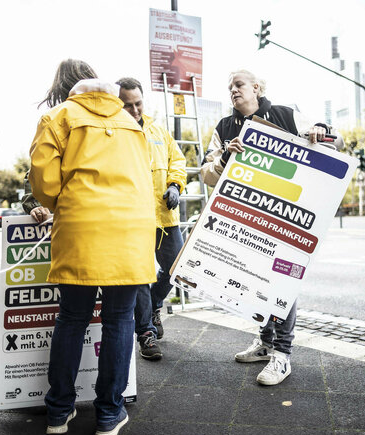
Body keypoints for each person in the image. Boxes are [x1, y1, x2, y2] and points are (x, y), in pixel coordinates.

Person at [29, 59, 155, 435]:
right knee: (120, 321)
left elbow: (45, 184)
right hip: (131, 231)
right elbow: (145, 173)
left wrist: (61, 203)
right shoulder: (131, 121)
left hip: (82, 229)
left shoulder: (59, 117)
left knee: (72, 318)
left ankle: (58, 412)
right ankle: (108, 415)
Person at [200, 69, 343, 386]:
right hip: (247, 216)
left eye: (238, 85)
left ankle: (282, 354)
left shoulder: (285, 114)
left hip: (286, 215)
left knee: (282, 284)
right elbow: (207, 172)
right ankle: (265, 343)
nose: (232, 91)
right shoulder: (224, 127)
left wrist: (320, 131)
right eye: (229, 87)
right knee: (255, 281)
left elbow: (336, 140)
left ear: (256, 87)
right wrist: (226, 156)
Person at [116, 77, 187, 361]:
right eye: (127, 105)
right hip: (133, 218)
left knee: (177, 267)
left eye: (138, 104)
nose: (134, 111)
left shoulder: (158, 129)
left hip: (165, 215)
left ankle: (156, 303)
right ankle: (145, 332)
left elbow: (177, 161)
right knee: (141, 276)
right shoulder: (115, 132)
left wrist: (175, 185)